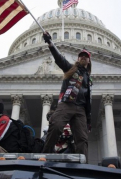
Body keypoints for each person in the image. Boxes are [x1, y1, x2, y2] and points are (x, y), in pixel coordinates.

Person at [42, 31, 92, 160]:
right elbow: (59, 59)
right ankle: (45, 154)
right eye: (81, 56)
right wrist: (50, 43)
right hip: (67, 104)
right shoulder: (71, 69)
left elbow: (88, 100)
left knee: (82, 138)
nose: (83, 58)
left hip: (81, 109)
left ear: (89, 61)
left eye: (85, 57)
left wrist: (89, 120)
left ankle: (83, 163)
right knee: (56, 126)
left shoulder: (88, 79)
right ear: (78, 59)